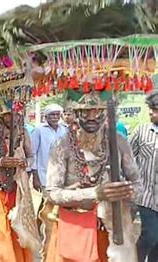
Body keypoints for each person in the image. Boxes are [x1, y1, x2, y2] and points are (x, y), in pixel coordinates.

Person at [45, 92, 141, 262]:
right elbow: (52, 193)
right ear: (74, 112)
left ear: (107, 111)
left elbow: (137, 184)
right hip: (74, 229)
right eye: (85, 111)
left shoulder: (118, 141)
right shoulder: (62, 145)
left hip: (111, 230)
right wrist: (95, 193)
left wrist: (123, 192)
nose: (91, 117)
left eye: (98, 110)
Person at [0, 109, 40, 262]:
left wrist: (25, 162)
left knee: (18, 231)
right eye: (8, 114)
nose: (12, 118)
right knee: (0, 233)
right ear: (1, 115)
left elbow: (31, 156)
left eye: (16, 114)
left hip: (17, 191)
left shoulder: (23, 133)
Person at [130, 91, 158, 262]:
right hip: (146, 196)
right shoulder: (141, 131)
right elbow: (127, 157)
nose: (150, 113)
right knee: (150, 234)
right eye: (150, 109)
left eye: (155, 110)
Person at [31, 104, 68, 188]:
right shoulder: (39, 130)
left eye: (57, 114)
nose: (55, 117)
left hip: (62, 173)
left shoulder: (65, 129)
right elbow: (33, 153)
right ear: (46, 116)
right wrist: (35, 176)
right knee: (47, 199)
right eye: (52, 114)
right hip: (45, 173)